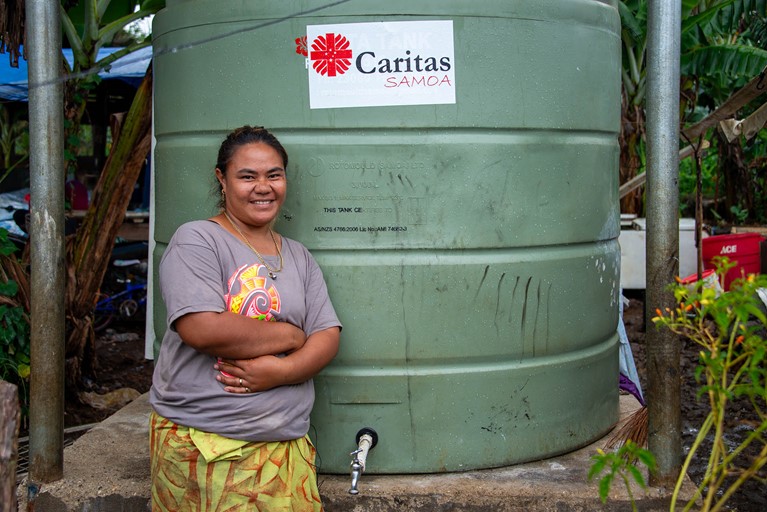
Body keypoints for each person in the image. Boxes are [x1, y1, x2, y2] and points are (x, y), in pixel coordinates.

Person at [149, 126, 341, 511]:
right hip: (206, 445)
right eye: (247, 176)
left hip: (284, 449)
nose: (263, 187)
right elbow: (201, 328)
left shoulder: (298, 256)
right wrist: (289, 335)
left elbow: (326, 334)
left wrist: (280, 373)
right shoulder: (198, 240)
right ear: (222, 179)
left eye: (274, 174)